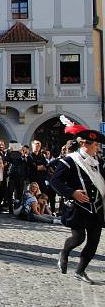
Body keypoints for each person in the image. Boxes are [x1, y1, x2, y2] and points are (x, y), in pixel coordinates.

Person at [50, 119, 105, 284]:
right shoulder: (70, 161)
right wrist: (72, 192)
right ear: (85, 145)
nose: (97, 148)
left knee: (94, 241)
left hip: (97, 207)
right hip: (78, 207)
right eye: (95, 145)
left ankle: (80, 271)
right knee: (79, 238)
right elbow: (54, 181)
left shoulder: (98, 163)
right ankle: (64, 252)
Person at [5, 144, 28, 214]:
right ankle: (10, 208)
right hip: (12, 176)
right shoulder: (11, 154)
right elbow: (7, 159)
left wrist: (23, 154)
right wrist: (9, 152)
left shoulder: (22, 155)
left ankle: (17, 207)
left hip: (20, 177)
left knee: (19, 193)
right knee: (10, 192)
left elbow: (25, 164)